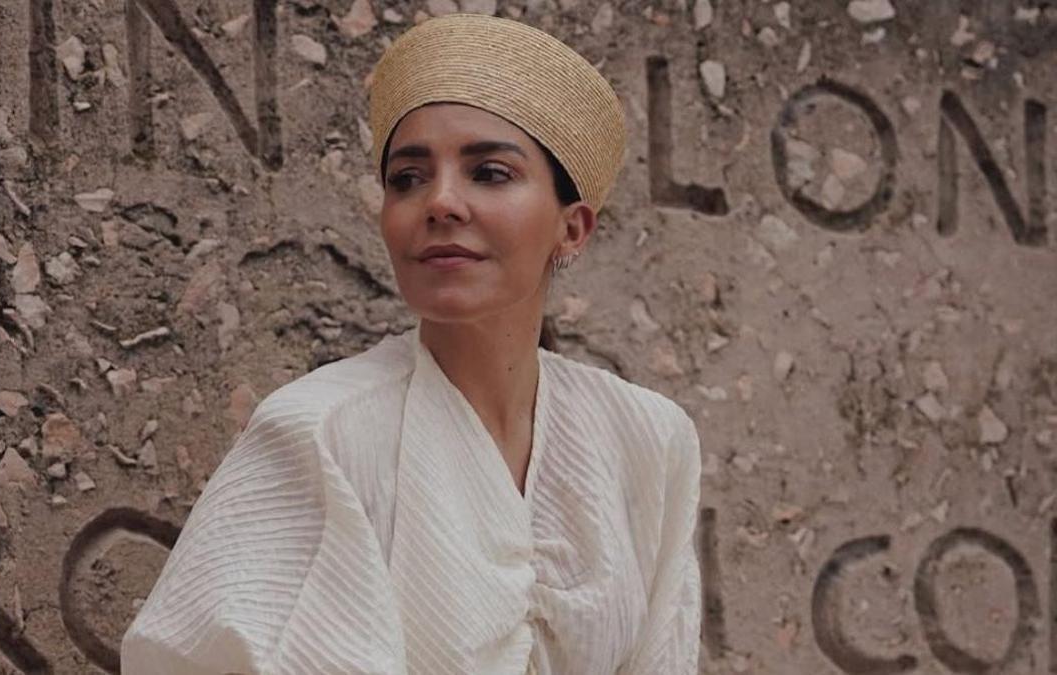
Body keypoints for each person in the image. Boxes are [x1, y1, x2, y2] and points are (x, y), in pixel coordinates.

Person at [120, 12, 701, 674]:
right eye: (407, 178)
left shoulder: (647, 438)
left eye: (489, 172)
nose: (440, 202)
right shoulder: (321, 434)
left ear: (572, 228)